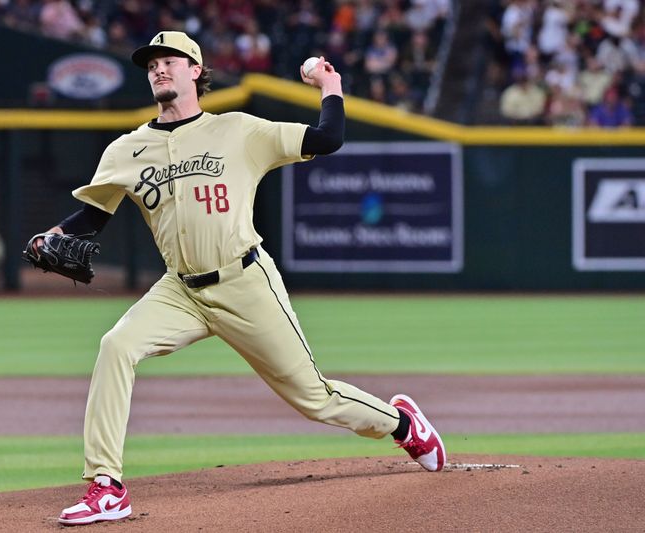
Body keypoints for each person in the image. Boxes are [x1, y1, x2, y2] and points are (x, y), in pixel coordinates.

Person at [32, 31, 447, 527]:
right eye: (152, 64)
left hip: (244, 281)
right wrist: (51, 234)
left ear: (195, 71)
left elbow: (327, 138)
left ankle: (401, 423)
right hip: (179, 290)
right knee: (116, 345)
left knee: (313, 397)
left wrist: (330, 87)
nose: (160, 69)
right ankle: (107, 486)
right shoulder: (127, 149)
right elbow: (92, 218)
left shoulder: (239, 130)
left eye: (171, 61)